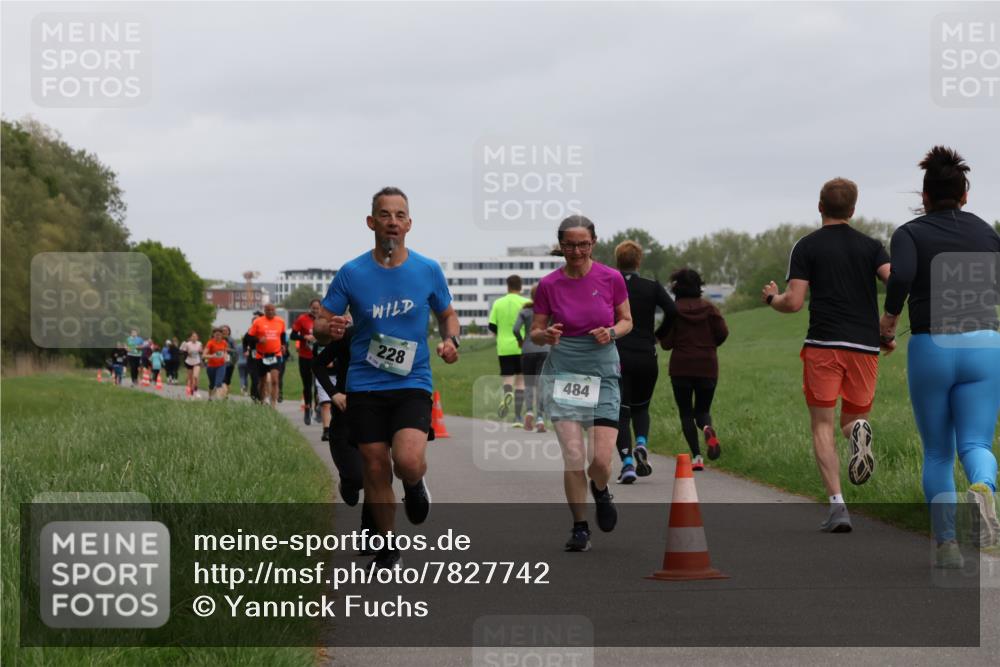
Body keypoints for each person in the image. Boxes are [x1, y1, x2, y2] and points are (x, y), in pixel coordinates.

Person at [322, 186, 460, 570]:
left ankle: (414, 484)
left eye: (400, 215)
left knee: (408, 461)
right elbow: (321, 323)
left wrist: (451, 340)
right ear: (371, 222)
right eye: (385, 215)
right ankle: (387, 547)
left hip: (412, 381)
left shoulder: (427, 270)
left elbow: (447, 315)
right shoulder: (352, 273)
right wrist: (328, 328)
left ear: (409, 224)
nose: (392, 222)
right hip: (364, 384)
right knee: (374, 465)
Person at [880, 146, 1000, 564]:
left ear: (925, 196)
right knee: (976, 442)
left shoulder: (909, 233)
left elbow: (902, 277)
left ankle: (948, 545)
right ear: (964, 195)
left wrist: (889, 322)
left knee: (937, 452)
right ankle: (983, 488)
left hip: (933, 345)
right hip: (985, 344)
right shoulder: (986, 232)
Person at [762, 177, 891, 533]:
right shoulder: (872, 247)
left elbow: (794, 302)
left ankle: (837, 506)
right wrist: (887, 325)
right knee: (852, 420)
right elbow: (894, 280)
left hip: (823, 345)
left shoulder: (807, 246)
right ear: (853, 209)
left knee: (822, 424)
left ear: (820, 206)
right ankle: (858, 432)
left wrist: (771, 298)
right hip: (864, 347)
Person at [530, 215, 633, 552]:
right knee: (573, 456)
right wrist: (545, 335)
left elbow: (627, 321)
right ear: (561, 246)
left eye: (583, 244)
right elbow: (535, 330)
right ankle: (580, 528)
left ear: (593, 243)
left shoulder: (611, 277)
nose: (576, 251)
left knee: (600, 461)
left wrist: (611, 332)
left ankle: (600, 490)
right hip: (564, 372)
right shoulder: (548, 285)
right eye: (570, 245)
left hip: (602, 372)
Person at [614, 241, 677, 483]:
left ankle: (627, 464)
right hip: (646, 355)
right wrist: (659, 335)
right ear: (639, 261)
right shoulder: (651, 286)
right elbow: (673, 311)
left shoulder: (610, 284)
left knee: (621, 413)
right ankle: (641, 443)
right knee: (641, 407)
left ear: (617, 261)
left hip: (618, 355)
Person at [312, 314, 376, 549]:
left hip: (375, 414)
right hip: (346, 416)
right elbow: (318, 364)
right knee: (358, 478)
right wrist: (334, 394)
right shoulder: (349, 336)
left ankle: (369, 536)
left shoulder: (391, 337)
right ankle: (347, 482)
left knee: (378, 477)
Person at [662, 268, 728, 471]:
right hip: (707, 365)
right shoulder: (710, 308)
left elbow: (666, 343)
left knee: (686, 413)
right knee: (703, 410)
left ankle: (697, 457)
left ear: (676, 287)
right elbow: (723, 333)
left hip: (681, 366)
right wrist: (709, 346)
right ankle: (707, 428)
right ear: (699, 286)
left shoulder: (673, 311)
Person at [489, 275, 530, 423]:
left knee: (508, 379)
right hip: (523, 347)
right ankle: (518, 416)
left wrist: (500, 334)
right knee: (521, 383)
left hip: (504, 348)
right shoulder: (526, 303)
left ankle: (507, 394)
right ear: (521, 286)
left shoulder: (498, 303)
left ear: (507, 286)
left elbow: (492, 326)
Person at [513, 286, 551, 432]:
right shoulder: (549, 312)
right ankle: (540, 419)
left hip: (528, 350)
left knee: (529, 383)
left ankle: (529, 413)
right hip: (545, 350)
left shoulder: (525, 311)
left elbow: (516, 329)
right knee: (541, 384)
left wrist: (520, 340)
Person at [248, 304, 288, 408]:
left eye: (272, 310)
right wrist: (258, 340)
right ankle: (262, 400)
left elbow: (283, 335)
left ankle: (273, 404)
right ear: (264, 311)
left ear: (275, 311)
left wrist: (283, 345)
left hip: (276, 354)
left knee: (275, 380)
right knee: (262, 382)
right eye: (268, 310)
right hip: (261, 356)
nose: (270, 312)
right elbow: (249, 337)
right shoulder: (258, 321)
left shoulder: (280, 321)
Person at [291, 300, 321, 424]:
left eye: (317, 308)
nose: (315, 310)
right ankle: (307, 410)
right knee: (307, 385)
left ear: (321, 308)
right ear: (310, 307)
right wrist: (304, 337)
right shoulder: (302, 319)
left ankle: (318, 409)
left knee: (318, 385)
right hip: (305, 356)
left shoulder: (324, 319)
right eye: (313, 308)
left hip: (319, 357)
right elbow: (292, 335)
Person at [204, 327, 230, 400]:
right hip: (211, 366)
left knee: (218, 383)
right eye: (216, 334)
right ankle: (210, 397)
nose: (218, 336)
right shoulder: (210, 343)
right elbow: (204, 355)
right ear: (213, 335)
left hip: (221, 365)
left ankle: (218, 398)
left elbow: (225, 352)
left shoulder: (224, 343)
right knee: (212, 384)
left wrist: (225, 357)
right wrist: (213, 355)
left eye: (219, 335)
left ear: (222, 335)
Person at [243, 314, 262, 402]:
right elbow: (244, 342)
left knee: (263, 379)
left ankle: (262, 396)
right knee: (255, 379)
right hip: (252, 359)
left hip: (263, 358)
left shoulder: (264, 331)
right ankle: (254, 396)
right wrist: (245, 351)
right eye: (254, 321)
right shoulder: (249, 332)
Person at [179, 332, 203, 398]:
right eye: (193, 336)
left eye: (195, 336)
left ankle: (196, 391)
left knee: (195, 376)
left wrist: (201, 351)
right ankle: (191, 392)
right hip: (189, 362)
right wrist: (187, 353)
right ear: (190, 337)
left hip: (197, 362)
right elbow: (182, 352)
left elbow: (201, 352)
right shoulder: (187, 344)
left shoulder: (199, 343)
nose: (194, 338)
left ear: (197, 337)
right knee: (190, 378)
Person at [221, 325, 238, 395]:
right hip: (220, 362)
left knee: (227, 380)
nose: (224, 332)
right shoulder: (218, 339)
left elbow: (236, 350)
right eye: (223, 331)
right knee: (222, 379)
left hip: (230, 362)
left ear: (229, 332)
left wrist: (228, 349)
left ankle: (226, 394)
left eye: (226, 331)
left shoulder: (232, 340)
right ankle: (223, 394)